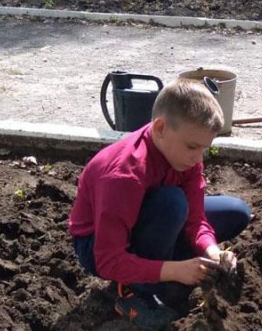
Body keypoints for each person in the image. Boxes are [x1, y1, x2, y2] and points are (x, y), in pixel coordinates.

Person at [69, 78, 251, 330]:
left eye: (205, 149)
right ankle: (130, 293)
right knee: (171, 204)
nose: (199, 158)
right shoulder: (124, 174)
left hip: (151, 217)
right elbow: (107, 259)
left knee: (236, 212)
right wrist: (175, 271)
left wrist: (212, 251)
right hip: (98, 244)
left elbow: (196, 220)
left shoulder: (183, 156)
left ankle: (162, 263)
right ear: (161, 128)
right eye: (192, 146)